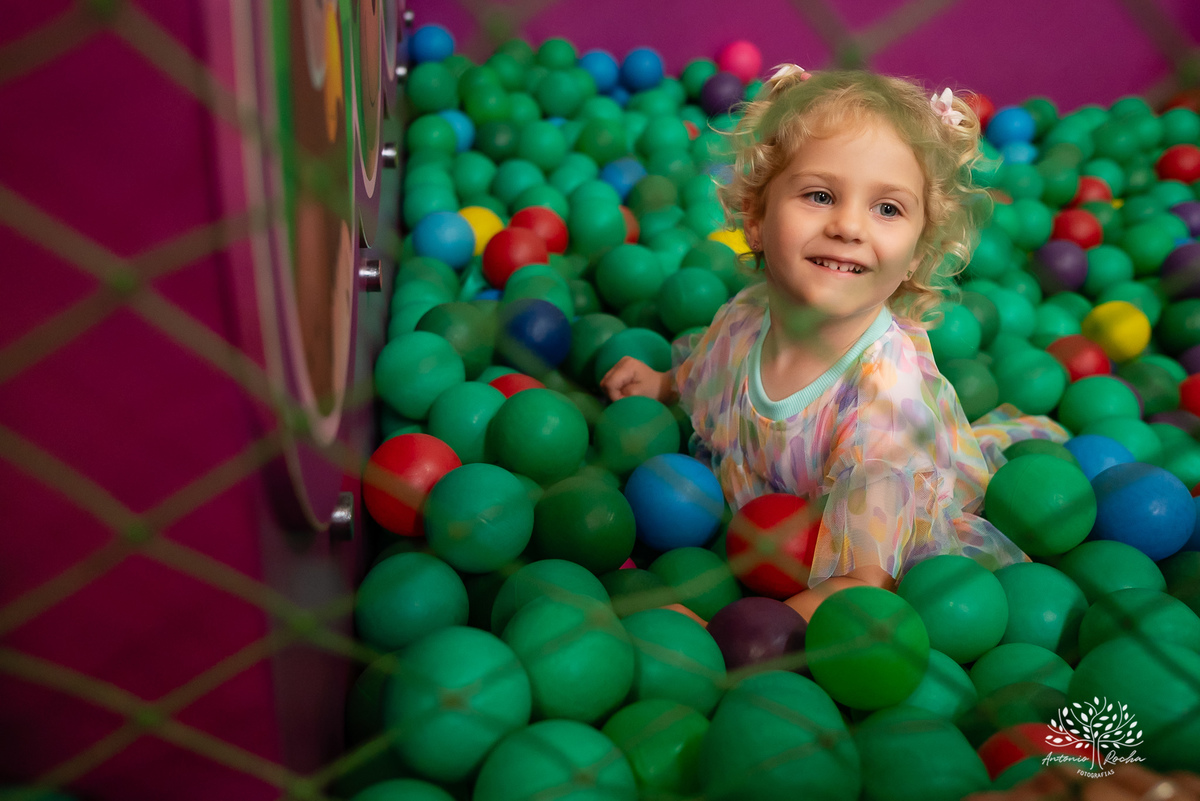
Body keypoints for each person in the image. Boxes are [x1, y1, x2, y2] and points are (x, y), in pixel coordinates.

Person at [600, 67, 1069, 620]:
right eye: (820, 195)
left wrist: (725, 635)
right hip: (760, 533)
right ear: (756, 217)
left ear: (918, 251)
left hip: (875, 542)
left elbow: (861, 589)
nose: (849, 226)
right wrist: (662, 384)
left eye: (887, 208)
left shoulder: (885, 410)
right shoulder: (747, 315)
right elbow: (712, 371)